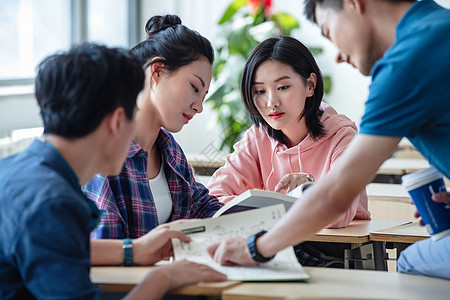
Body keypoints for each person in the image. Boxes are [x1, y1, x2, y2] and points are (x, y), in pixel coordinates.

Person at [207, 0, 450, 280]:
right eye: (259, 91)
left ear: (353, 4)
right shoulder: (437, 24)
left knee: (409, 262)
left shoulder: (404, 65)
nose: (336, 55)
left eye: (328, 31)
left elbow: (336, 197)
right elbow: (217, 193)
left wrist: (255, 248)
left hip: (326, 250)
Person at [0, 43, 226, 299]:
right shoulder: (54, 204)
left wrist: (134, 249)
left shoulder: (11, 170)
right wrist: (165, 277)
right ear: (118, 121)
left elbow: (57, 248)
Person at [82, 15, 222, 240]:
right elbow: (104, 245)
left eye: (204, 96)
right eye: (195, 88)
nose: (199, 107)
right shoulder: (104, 152)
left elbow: (201, 206)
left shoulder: (169, 150)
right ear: (157, 72)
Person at [207, 36, 370, 230]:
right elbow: (214, 197)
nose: (271, 102)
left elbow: (338, 213)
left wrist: (308, 189)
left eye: (283, 87)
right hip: (277, 249)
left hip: (336, 252)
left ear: (310, 85)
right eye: (259, 91)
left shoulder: (342, 137)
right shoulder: (258, 138)